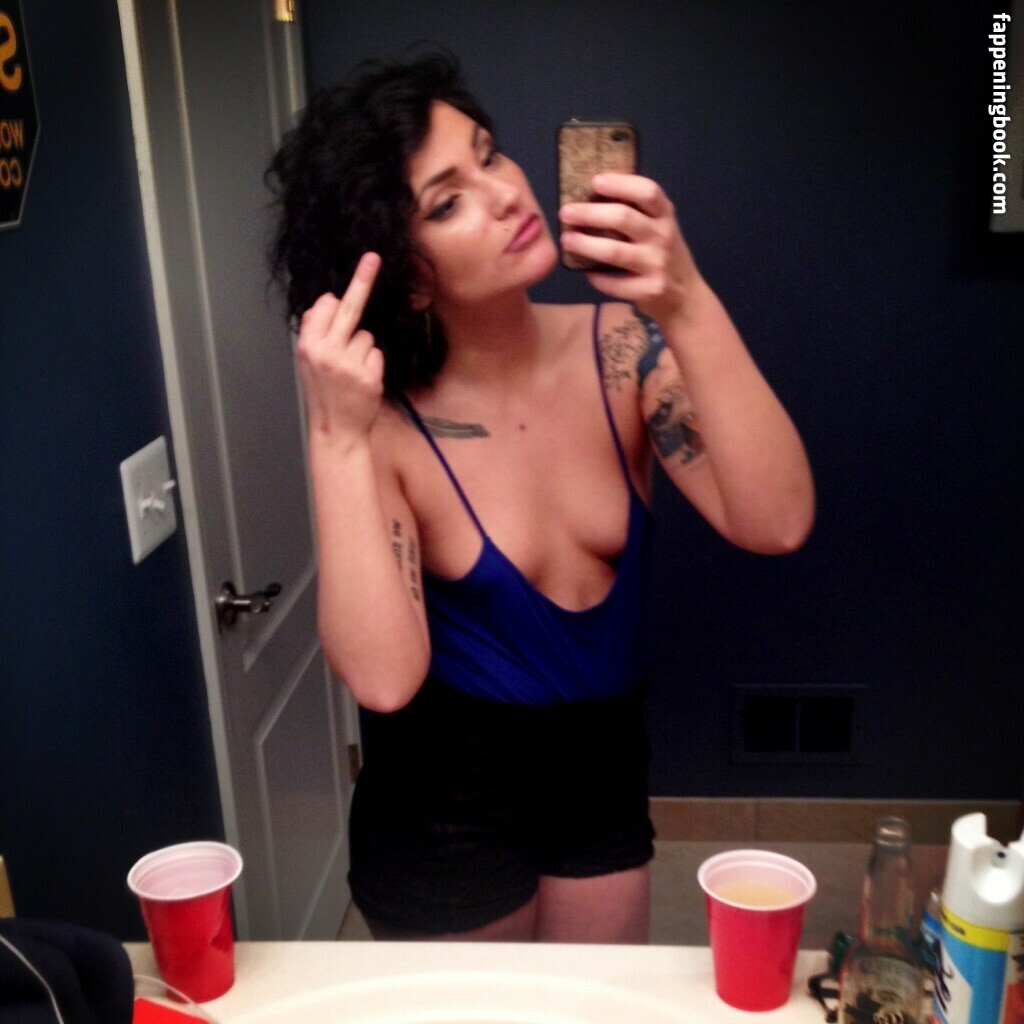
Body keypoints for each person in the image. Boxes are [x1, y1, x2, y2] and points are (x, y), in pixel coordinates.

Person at [266, 50, 814, 943]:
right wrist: (335, 436)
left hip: (601, 778)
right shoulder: (386, 423)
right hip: (442, 813)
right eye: (448, 202)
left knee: (596, 1004)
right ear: (407, 275)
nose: (505, 193)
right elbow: (383, 680)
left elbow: (778, 520)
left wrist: (685, 300)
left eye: (489, 154)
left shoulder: (624, 352)